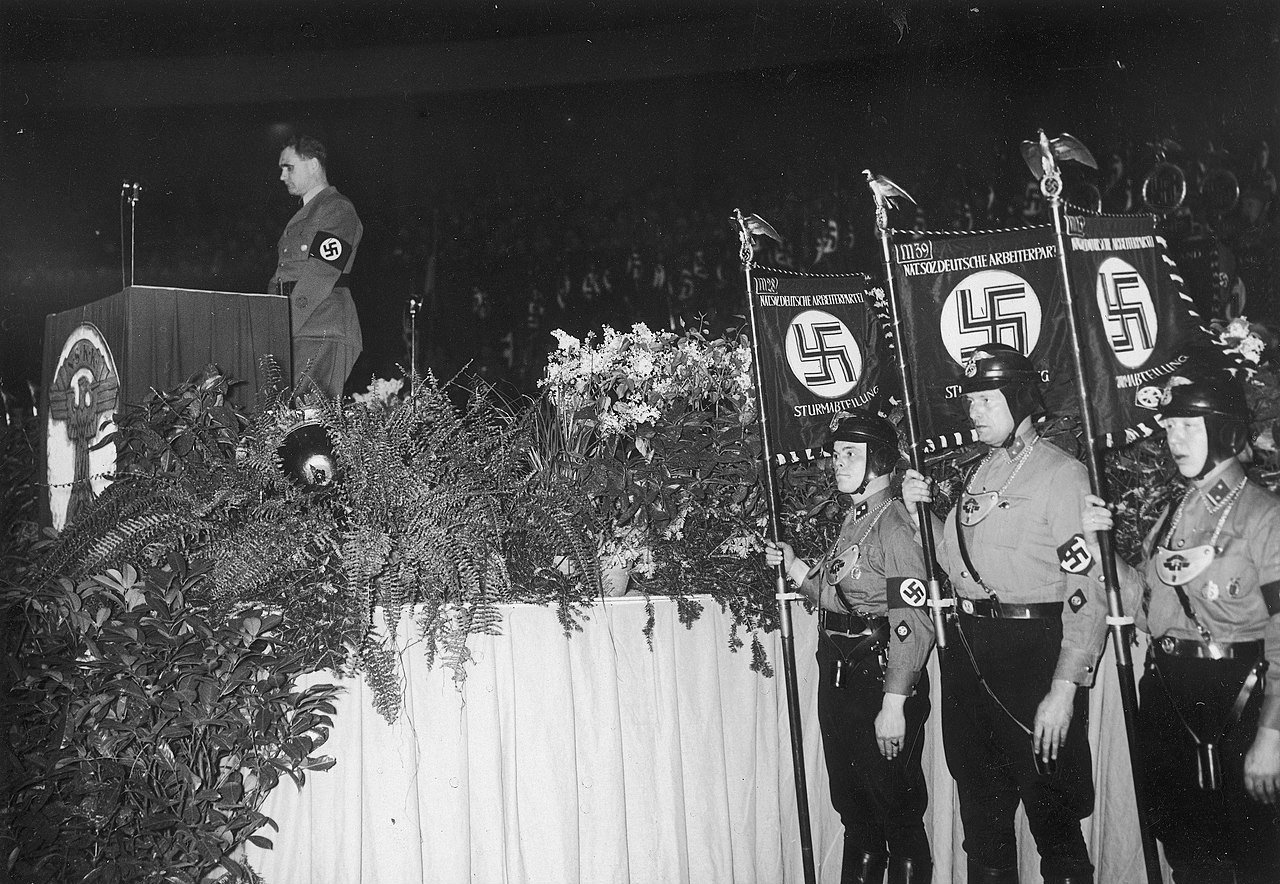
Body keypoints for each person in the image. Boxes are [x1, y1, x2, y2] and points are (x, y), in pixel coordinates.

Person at [900, 344, 1107, 884]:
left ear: (1019, 400)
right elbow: (953, 559)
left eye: (986, 399)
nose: (973, 411)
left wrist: (1065, 686)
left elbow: (1085, 588)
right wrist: (924, 511)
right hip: (971, 657)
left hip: (1033, 656)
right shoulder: (980, 474)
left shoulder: (1062, 476)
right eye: (971, 400)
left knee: (1053, 817)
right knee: (982, 817)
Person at [1081, 372, 1280, 884]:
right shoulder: (1172, 514)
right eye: (1169, 428)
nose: (1175, 441)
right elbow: (1146, 611)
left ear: (1224, 429)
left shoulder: (1264, 516)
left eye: (1188, 427)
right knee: (1187, 853)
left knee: (1253, 852)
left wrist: (1272, 735)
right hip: (1170, 696)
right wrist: (1098, 550)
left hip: (1238, 699)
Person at [765, 409, 935, 884]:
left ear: (877, 459)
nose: (836, 463)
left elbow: (912, 620)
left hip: (879, 679)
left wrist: (895, 702)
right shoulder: (858, 518)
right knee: (854, 808)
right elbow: (843, 596)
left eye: (848, 454)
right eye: (836, 454)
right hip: (842, 678)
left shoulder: (895, 526)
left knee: (895, 811)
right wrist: (796, 566)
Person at [268, 134, 363, 398]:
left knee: (311, 423)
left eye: (289, 167)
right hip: (301, 327)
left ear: (312, 165)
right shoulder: (306, 213)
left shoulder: (337, 209)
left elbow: (321, 274)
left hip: (321, 327)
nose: (282, 176)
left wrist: (285, 324)